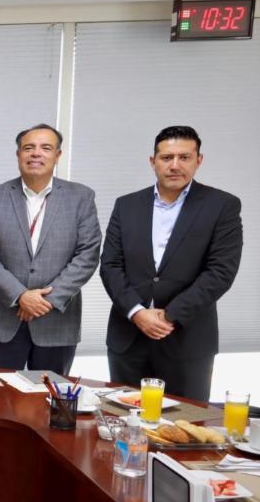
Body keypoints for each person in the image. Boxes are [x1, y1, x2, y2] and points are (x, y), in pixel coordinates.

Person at [100, 126, 242, 402]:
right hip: (128, 338)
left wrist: (169, 316)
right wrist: (137, 312)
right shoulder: (126, 205)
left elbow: (220, 272)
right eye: (166, 158)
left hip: (186, 341)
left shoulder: (222, 206)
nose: (175, 165)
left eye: (184, 157)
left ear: (199, 160)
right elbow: (110, 265)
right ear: (153, 161)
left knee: (184, 423)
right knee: (122, 418)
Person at [0, 124, 100, 375]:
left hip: (56, 321)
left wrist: (45, 301)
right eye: (28, 148)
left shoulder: (81, 197)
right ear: (18, 154)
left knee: (50, 395)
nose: (36, 153)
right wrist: (21, 296)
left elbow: (87, 254)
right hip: (2, 319)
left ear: (58, 155)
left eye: (46, 148)